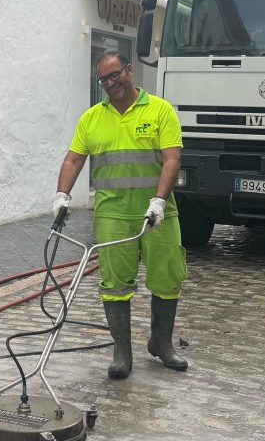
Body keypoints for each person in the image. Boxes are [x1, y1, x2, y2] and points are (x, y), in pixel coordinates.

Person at [52, 51, 188, 379]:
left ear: (129, 70)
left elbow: (172, 159)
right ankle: (121, 352)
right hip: (113, 214)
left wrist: (158, 200)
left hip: (158, 213)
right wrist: (62, 195)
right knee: (114, 284)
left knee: (168, 279)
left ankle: (161, 343)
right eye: (103, 79)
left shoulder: (160, 110)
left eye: (115, 75)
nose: (110, 83)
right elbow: (73, 160)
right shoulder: (91, 119)